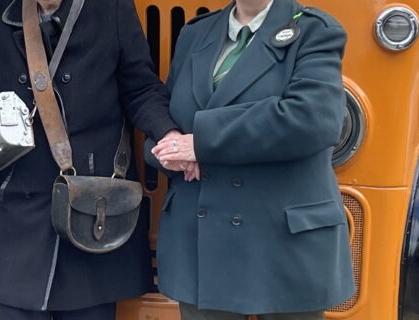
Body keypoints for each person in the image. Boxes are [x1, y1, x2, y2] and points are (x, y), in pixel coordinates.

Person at [0, 0, 180, 318]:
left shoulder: (111, 7)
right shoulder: (2, 9)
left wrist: (167, 133)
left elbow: (140, 88)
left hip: (91, 209)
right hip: (21, 208)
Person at [145, 0, 355, 319]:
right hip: (203, 244)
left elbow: (313, 119)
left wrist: (203, 144)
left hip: (282, 248)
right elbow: (173, 118)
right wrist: (170, 149)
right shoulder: (195, 34)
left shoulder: (314, 31)